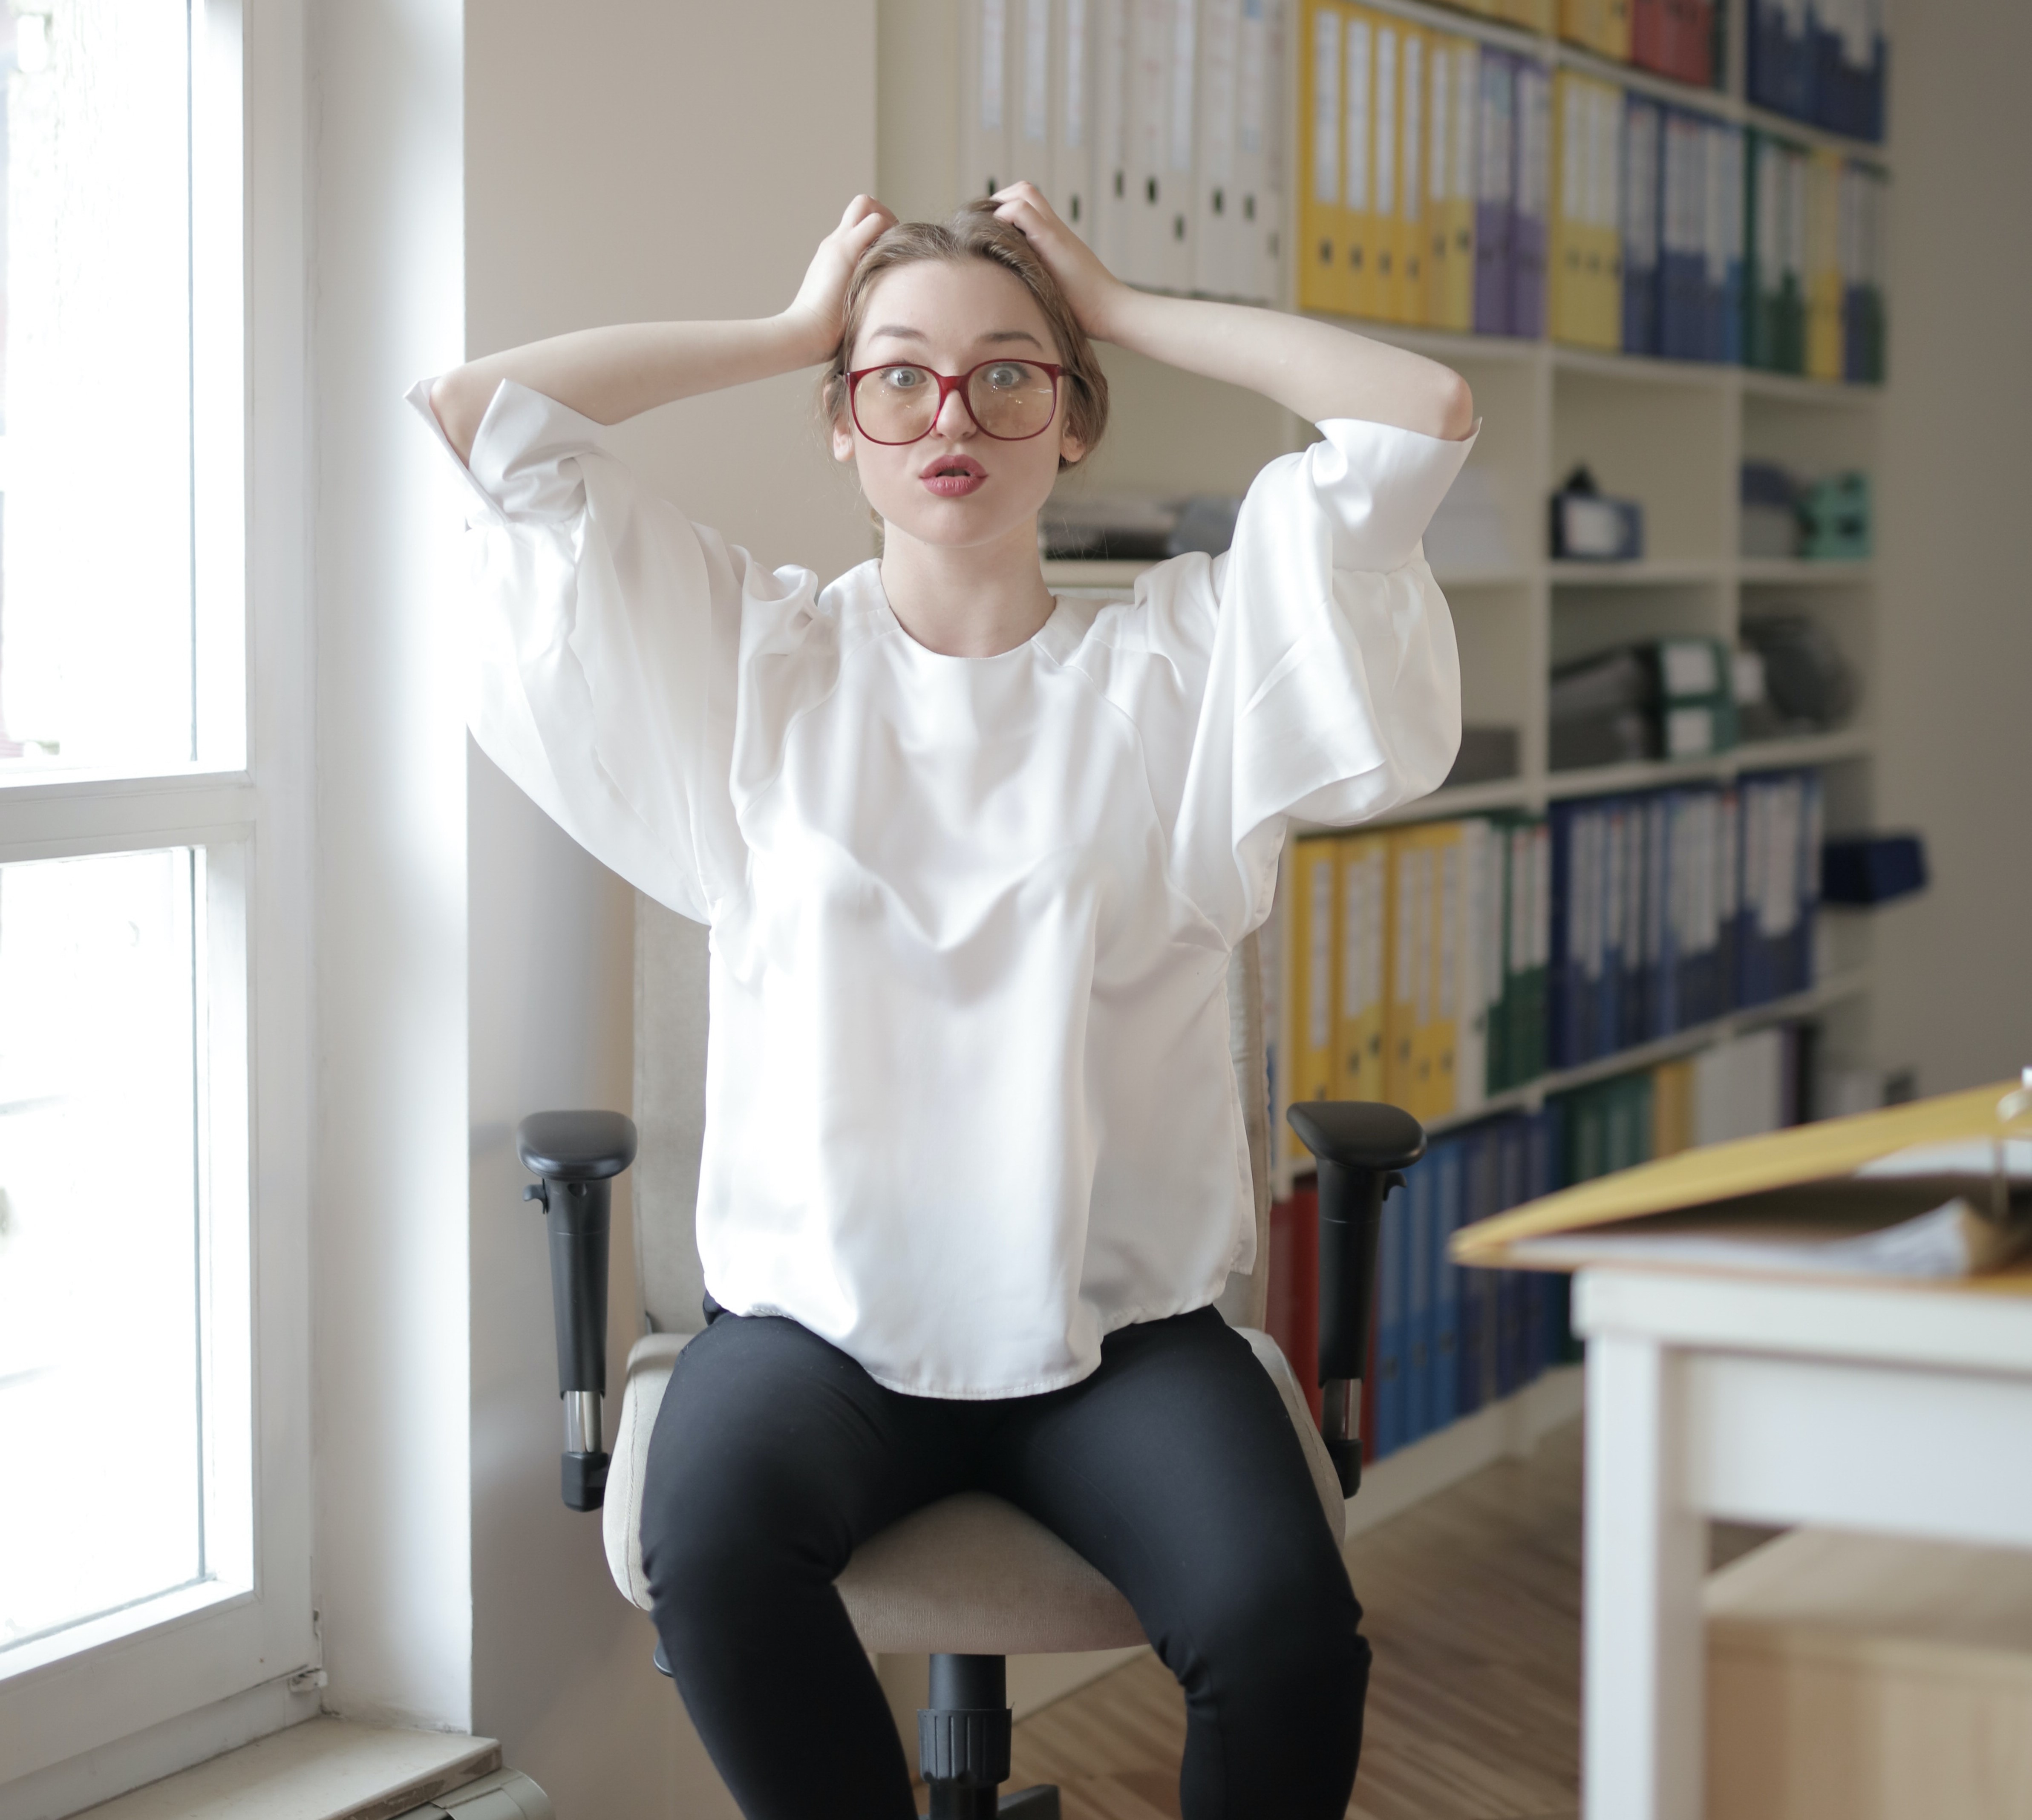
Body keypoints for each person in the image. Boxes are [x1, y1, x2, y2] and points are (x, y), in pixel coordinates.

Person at [419, 187, 1474, 1820]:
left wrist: (1112, 301)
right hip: (819, 1336)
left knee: (1285, 1634)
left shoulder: (1180, 679)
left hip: (1119, 1339)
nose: (949, 417)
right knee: (706, 1556)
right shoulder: (755, 669)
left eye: (1009, 376)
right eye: (895, 378)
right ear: (843, 428)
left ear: (1071, 420)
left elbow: (1420, 417)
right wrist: (790, 326)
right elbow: (487, 420)